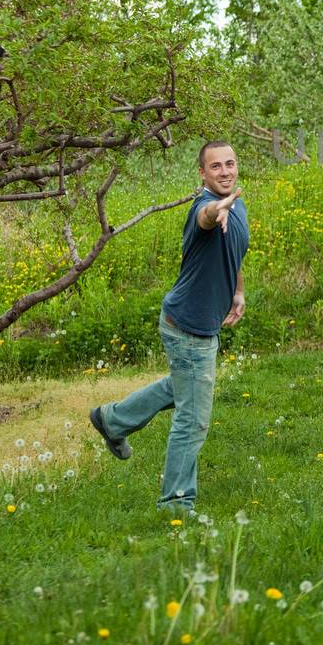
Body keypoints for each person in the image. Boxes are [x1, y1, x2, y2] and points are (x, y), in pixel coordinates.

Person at [89, 140, 248, 512]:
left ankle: (112, 420)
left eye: (230, 164)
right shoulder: (205, 208)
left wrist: (237, 291)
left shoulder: (237, 203)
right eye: (216, 167)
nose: (225, 171)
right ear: (202, 174)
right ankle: (176, 503)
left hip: (194, 321)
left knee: (183, 386)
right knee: (193, 419)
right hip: (189, 326)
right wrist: (215, 210)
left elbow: (236, 249)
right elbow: (207, 217)